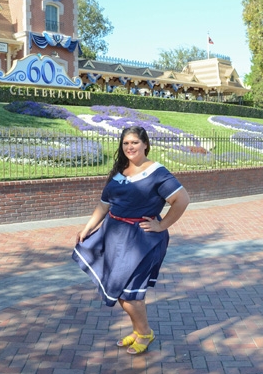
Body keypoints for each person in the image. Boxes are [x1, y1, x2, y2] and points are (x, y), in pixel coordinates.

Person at [72, 126, 190, 355]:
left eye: (134, 142)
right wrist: (88, 227)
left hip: (141, 240)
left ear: (145, 144)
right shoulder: (121, 171)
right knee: (121, 289)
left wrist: (162, 224)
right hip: (114, 236)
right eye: (125, 143)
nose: (129, 147)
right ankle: (138, 331)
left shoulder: (157, 172)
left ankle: (145, 333)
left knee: (129, 293)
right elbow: (105, 203)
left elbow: (182, 199)